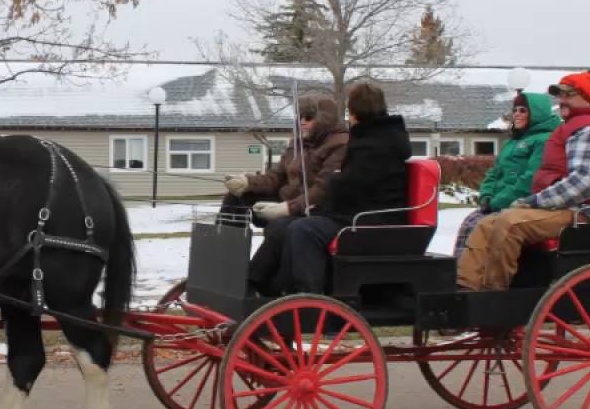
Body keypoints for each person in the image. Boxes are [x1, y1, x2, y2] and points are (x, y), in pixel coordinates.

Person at [457, 70, 590, 291]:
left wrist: (533, 201)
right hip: (566, 207)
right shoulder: (575, 127)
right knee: (485, 224)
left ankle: (494, 295)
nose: (561, 100)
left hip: (588, 211)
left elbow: (582, 184)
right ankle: (464, 291)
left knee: (510, 223)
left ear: (587, 97)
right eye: (559, 95)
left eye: (568, 94)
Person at [249, 83, 411, 296]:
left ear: (353, 113)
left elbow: (349, 186)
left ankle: (309, 295)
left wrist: (323, 199)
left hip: (370, 220)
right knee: (285, 226)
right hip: (356, 213)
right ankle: (255, 283)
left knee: (303, 230)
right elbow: (350, 186)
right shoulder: (376, 137)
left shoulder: (374, 144)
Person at [220, 96, 349, 295]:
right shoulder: (296, 143)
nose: (302, 121)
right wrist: (247, 183)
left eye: (309, 117)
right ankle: (226, 263)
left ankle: (254, 281)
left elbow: (323, 189)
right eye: (300, 116)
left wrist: (287, 208)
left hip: (313, 210)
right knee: (236, 197)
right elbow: (276, 178)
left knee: (281, 226)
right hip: (288, 203)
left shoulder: (340, 144)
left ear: (325, 119)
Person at [451, 91, 560, 256]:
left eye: (523, 110)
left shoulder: (544, 140)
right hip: (497, 204)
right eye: (515, 110)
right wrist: (486, 196)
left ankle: (473, 276)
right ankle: (460, 274)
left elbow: (529, 179)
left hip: (520, 204)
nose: (516, 114)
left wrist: (497, 203)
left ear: (537, 113)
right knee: (469, 223)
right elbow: (494, 173)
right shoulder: (512, 142)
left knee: (478, 228)